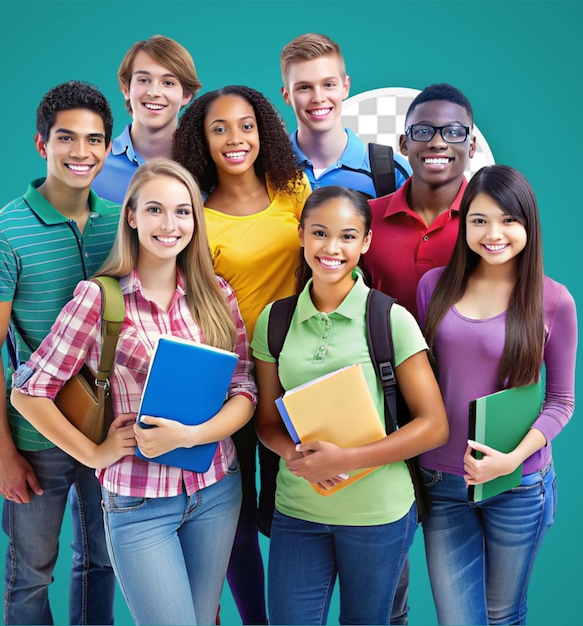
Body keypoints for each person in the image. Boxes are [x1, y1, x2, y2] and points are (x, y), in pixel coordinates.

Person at [10, 158, 257, 626]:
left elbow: (244, 388)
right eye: (156, 210)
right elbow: (28, 391)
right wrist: (94, 454)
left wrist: (191, 436)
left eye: (183, 212)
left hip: (217, 491)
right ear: (132, 216)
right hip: (139, 503)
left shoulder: (217, 294)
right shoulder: (99, 298)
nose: (170, 225)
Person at [252, 185, 449, 625]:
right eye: (320, 233)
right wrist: (294, 455)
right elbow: (266, 420)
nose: (331, 248)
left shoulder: (389, 318)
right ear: (301, 234)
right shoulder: (275, 320)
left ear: (366, 242)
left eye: (347, 236)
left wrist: (348, 459)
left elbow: (434, 425)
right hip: (298, 511)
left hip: (377, 514)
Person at [0, 80, 119, 625]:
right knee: (31, 574)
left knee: (103, 562)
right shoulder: (2, 235)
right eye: (67, 138)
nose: (81, 152)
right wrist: (2, 453)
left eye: (95, 140)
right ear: (41, 144)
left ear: (108, 146)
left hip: (110, 429)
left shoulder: (124, 222)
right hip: (36, 439)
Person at [173, 84, 310, 625]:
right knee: (232, 515)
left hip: (295, 373)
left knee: (293, 505)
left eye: (246, 125)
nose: (236, 139)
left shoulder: (294, 191)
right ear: (201, 141)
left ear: (264, 131)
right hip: (227, 381)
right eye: (220, 128)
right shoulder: (197, 214)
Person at [417, 165, 577, 625]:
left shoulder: (554, 301)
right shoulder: (434, 288)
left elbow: (561, 402)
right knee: (458, 619)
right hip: (442, 481)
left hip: (518, 483)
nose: (494, 233)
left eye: (509, 220)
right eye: (480, 220)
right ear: (464, 223)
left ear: (528, 225)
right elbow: (424, 381)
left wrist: (511, 459)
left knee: (502, 614)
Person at [362, 83, 477, 318]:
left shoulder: (491, 224)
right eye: (423, 131)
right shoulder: (365, 219)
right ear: (404, 144)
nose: (437, 143)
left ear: (472, 146)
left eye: (454, 132)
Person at [280, 32, 410, 197]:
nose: (318, 98)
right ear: (287, 96)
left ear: (345, 87)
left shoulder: (392, 172)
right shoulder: (264, 171)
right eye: (304, 87)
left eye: (328, 84)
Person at [93, 34, 201, 204]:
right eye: (144, 80)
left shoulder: (206, 166)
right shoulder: (95, 165)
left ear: (186, 95)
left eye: (168, 83)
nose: (154, 92)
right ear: (126, 89)